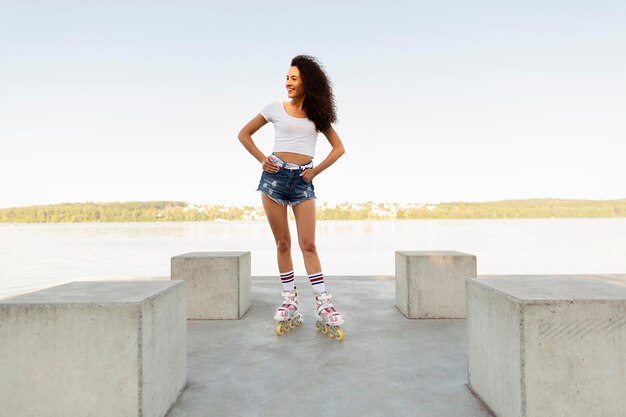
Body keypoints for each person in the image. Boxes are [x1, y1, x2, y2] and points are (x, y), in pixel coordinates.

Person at [237, 55, 346, 339]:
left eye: (294, 78)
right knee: (283, 242)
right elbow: (244, 134)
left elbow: (338, 148)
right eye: (287, 78)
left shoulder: (317, 115)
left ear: (306, 82)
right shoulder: (275, 108)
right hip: (273, 179)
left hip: (302, 181)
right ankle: (289, 299)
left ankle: (323, 303)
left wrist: (315, 172)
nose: (288, 83)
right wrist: (262, 159)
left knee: (308, 243)